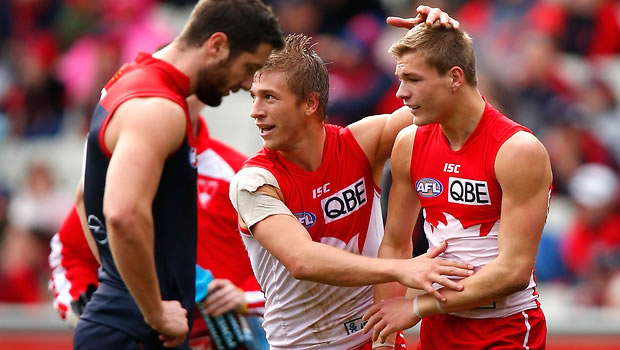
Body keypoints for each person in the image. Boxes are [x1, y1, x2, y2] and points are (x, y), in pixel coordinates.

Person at [228, 12, 473, 350]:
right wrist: (399, 270)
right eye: (254, 97)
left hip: (377, 341)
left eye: (269, 97)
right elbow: (302, 260)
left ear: (310, 103)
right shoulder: (254, 181)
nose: (255, 110)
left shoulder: (361, 143)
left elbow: (452, 100)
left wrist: (442, 47)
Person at [74, 1, 284, 349]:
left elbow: (86, 199)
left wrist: (123, 283)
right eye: (248, 67)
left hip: (129, 323)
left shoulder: (130, 83)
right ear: (216, 45)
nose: (248, 84)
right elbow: (122, 215)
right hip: (137, 330)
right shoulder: (159, 108)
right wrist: (152, 307)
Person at [361, 20, 552, 350]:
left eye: (413, 79)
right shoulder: (409, 143)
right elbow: (394, 246)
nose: (400, 92)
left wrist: (416, 307)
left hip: (503, 329)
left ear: (454, 77)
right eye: (400, 79)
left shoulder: (518, 150)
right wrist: (384, 341)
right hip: (439, 328)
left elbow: (513, 272)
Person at [49, 97, 268, 349]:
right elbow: (69, 252)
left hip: (224, 340)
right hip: (137, 338)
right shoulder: (123, 171)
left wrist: (244, 297)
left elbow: (280, 265)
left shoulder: (238, 173)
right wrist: (83, 308)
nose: (177, 92)